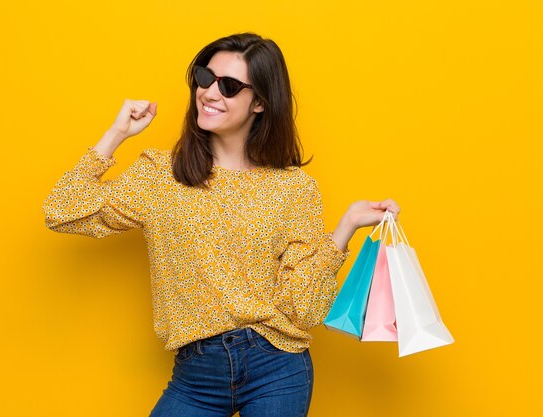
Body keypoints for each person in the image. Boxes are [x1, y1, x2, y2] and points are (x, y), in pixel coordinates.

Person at [42, 32, 401, 417]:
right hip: (195, 375)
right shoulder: (161, 175)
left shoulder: (293, 189)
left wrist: (344, 228)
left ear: (259, 102)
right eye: (204, 77)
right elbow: (61, 209)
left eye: (228, 86)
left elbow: (303, 309)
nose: (209, 93)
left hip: (276, 368)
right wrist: (116, 135)